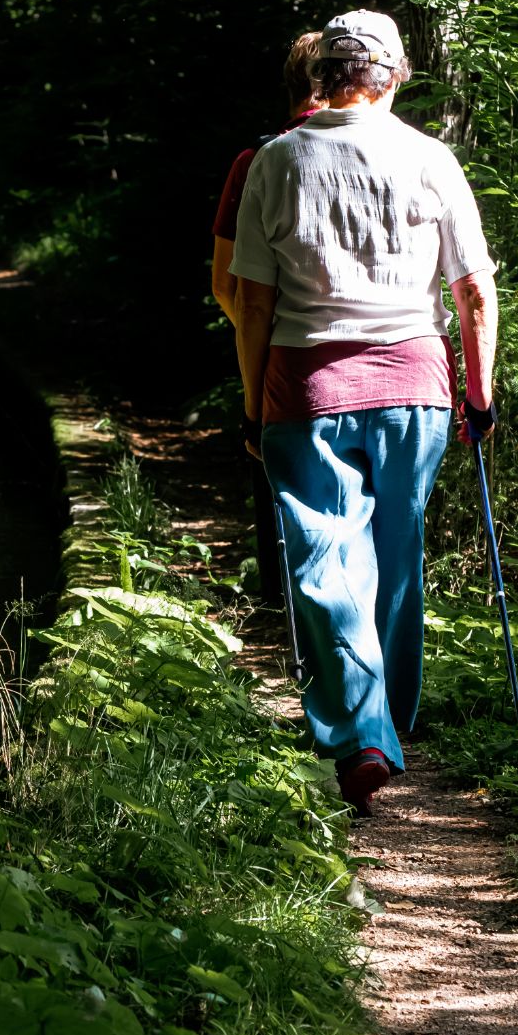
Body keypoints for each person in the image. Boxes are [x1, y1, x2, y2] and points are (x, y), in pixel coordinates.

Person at [228, 9, 499, 814]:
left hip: (307, 385)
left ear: (324, 76)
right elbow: (474, 291)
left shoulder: (277, 161)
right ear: (393, 76)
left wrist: (252, 405)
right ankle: (387, 721)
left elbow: (252, 303)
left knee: (325, 559)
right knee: (396, 550)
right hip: (416, 383)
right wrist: (479, 394)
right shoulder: (431, 157)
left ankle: (363, 729)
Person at [212, 31, 325, 607]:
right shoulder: (398, 151)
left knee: (284, 501)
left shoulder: (255, 160)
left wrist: (263, 342)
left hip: (282, 358)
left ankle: (290, 617)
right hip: (393, 360)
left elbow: (225, 285)